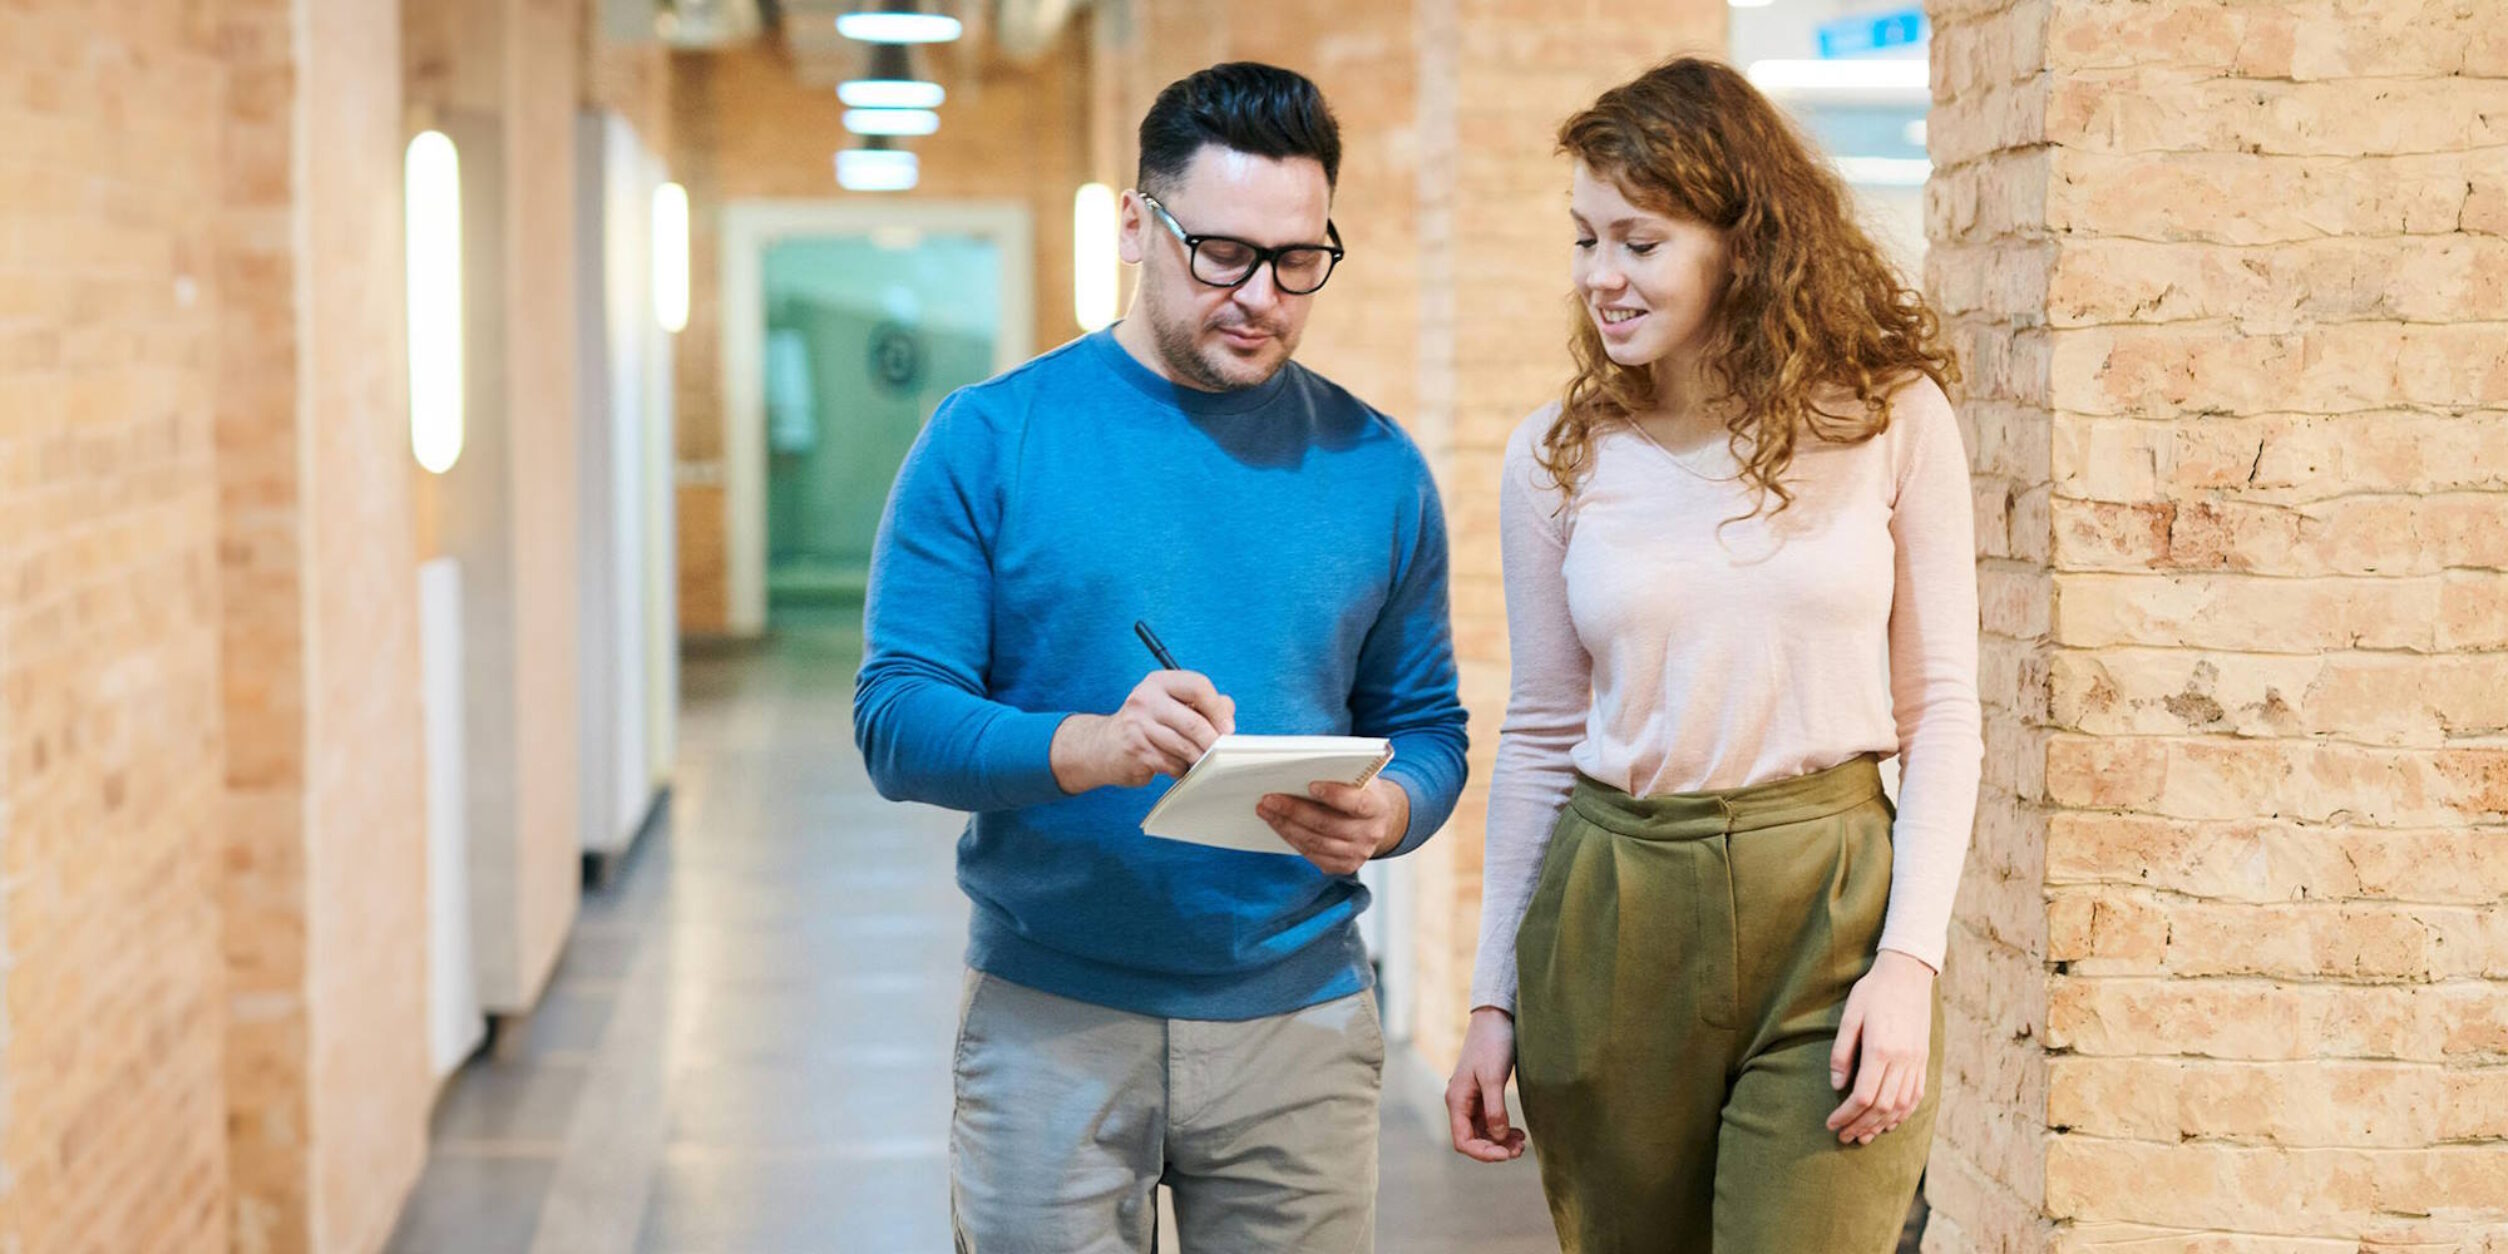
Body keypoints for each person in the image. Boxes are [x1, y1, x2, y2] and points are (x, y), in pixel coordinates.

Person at [854, 61, 1469, 1254]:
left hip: (1301, 1022)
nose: (1263, 296)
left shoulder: (1375, 466)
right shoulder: (991, 438)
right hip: (1050, 1021)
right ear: (1137, 224)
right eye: (1222, 253)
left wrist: (1390, 813)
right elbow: (896, 719)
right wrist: (1091, 746)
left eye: (1299, 260)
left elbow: (1432, 726)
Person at [1443, 56, 1982, 1253]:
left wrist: (1911, 967)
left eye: (1638, 241)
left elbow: (1943, 708)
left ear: (1743, 241)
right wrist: (1491, 999)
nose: (1600, 277)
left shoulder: (1891, 415)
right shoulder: (1558, 456)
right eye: (1585, 239)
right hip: (1615, 908)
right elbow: (1539, 730)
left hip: (1831, 906)